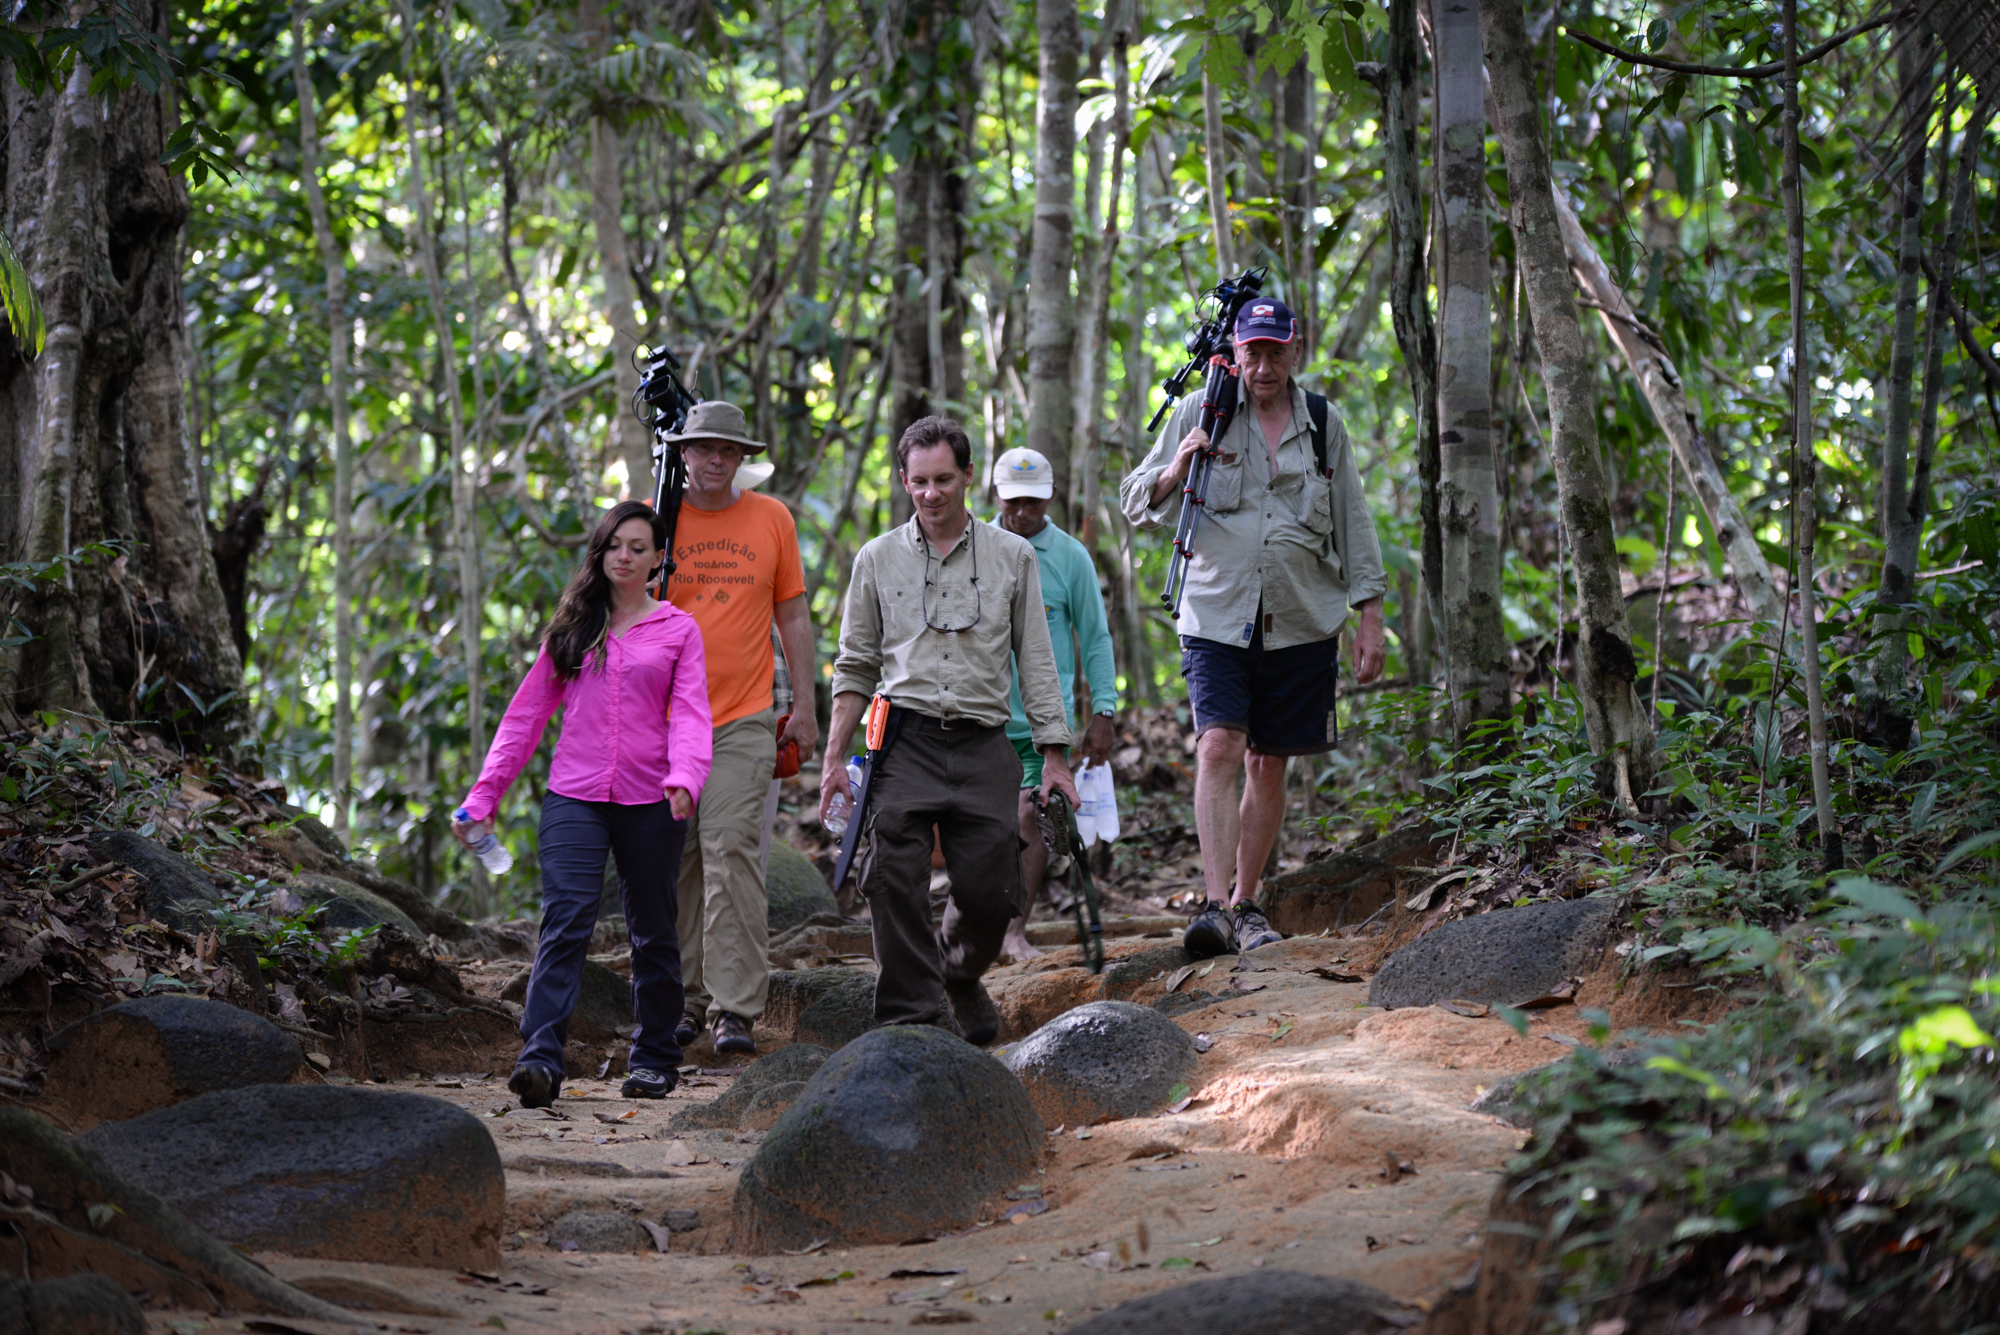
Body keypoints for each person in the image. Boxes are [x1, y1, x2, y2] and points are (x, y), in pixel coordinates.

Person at [1118, 297, 1386, 958]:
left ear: (1294, 350)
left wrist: (1370, 616)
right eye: (1251, 352)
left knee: (1269, 761)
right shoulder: (1201, 409)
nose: (1262, 366)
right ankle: (1212, 906)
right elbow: (1132, 498)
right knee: (1218, 745)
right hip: (1215, 610)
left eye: (1275, 351)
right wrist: (1177, 466)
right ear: (1235, 353)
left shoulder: (1324, 421)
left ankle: (1246, 901)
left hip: (1299, 616)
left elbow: (1352, 516)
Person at [820, 416, 1080, 1045]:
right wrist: (832, 760)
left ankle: (959, 973)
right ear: (904, 481)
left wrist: (1054, 756)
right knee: (891, 874)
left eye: (944, 479)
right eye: (919, 482)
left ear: (968, 476)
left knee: (995, 887)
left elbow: (1037, 658)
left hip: (982, 737)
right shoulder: (876, 558)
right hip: (902, 738)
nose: (931, 493)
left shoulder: (1013, 556)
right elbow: (855, 662)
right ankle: (910, 1019)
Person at [455, 500, 713, 1106]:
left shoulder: (678, 629)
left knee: (652, 928)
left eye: (638, 548)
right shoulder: (574, 627)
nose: (624, 556)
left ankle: (653, 1055)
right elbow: (525, 717)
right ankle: (540, 1058)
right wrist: (484, 795)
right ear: (599, 552)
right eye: (614, 545)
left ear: (657, 560)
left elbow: (693, 715)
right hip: (575, 794)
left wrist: (686, 778)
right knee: (566, 919)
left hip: (653, 796)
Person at [659, 401, 816, 1058]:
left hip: (745, 717)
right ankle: (683, 999)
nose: (715, 460)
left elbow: (795, 617)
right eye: (703, 449)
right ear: (684, 453)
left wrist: (806, 705)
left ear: (741, 458)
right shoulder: (658, 519)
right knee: (679, 861)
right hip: (666, 724)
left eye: (727, 450)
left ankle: (736, 1008)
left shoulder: (771, 518)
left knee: (731, 851)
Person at [985, 447, 1118, 964]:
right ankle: (975, 927)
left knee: (1032, 816)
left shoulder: (1069, 557)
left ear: (1052, 498)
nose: (1022, 514)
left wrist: (1102, 710)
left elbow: (1096, 637)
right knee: (978, 824)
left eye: (1034, 504)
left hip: (1044, 723)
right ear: (997, 496)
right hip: (983, 716)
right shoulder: (975, 546)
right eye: (1014, 502)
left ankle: (1013, 930)